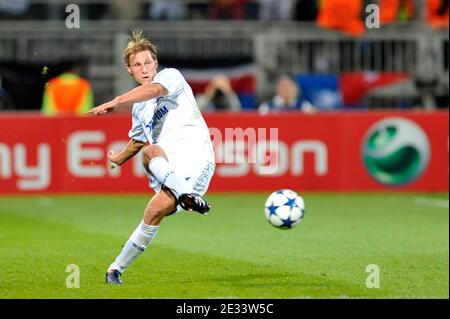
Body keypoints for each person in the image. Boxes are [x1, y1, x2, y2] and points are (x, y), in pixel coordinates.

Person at [87, 29, 215, 285]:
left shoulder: (170, 77)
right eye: (137, 65)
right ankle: (115, 269)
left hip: (196, 160)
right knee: (153, 209)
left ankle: (189, 195)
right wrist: (119, 158)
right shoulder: (139, 107)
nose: (144, 69)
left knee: (150, 152)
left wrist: (117, 100)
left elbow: (154, 89)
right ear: (129, 70)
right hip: (171, 169)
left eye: (147, 62)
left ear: (155, 63)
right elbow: (137, 139)